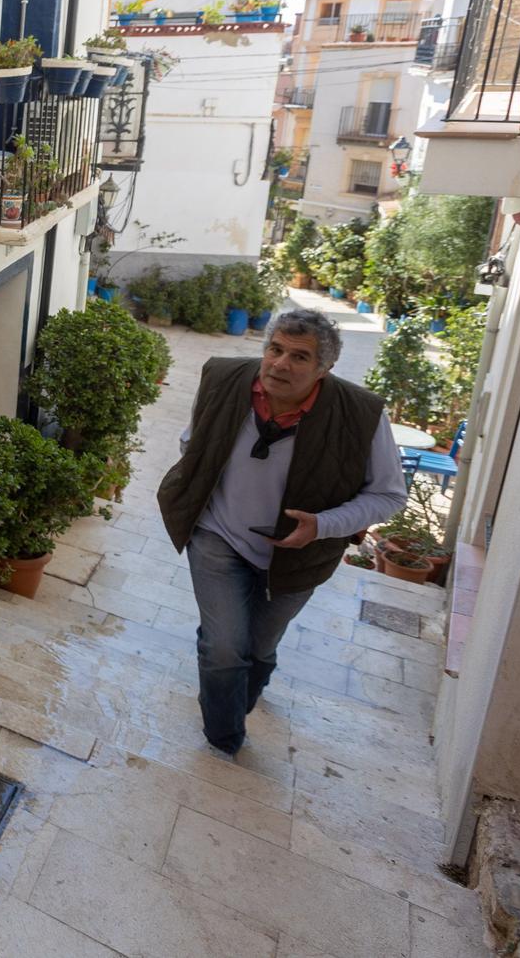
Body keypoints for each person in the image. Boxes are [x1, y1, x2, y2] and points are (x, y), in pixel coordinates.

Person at [156, 307, 406, 755]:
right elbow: (192, 439)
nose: (280, 364)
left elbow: (389, 495)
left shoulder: (362, 414)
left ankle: (240, 687)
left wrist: (322, 526)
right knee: (224, 646)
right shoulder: (223, 378)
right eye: (274, 349)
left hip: (298, 558)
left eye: (299, 357)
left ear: (324, 369)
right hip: (218, 535)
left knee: (257, 647)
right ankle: (225, 737)